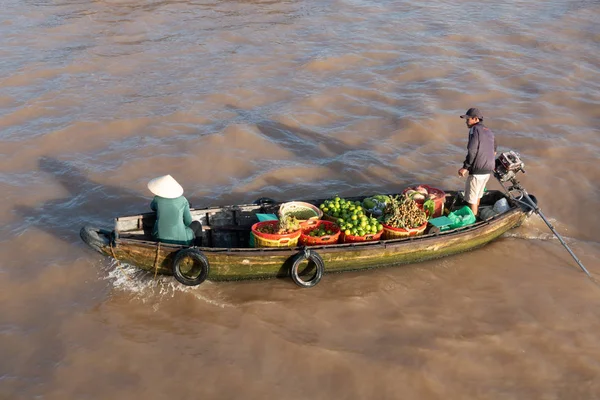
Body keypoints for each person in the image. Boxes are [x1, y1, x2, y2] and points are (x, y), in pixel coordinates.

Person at [457, 108, 497, 216]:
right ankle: (477, 216)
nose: (466, 121)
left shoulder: (474, 130)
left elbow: (472, 150)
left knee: (471, 200)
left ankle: (473, 222)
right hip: (488, 170)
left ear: (475, 119)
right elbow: (494, 151)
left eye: (468, 119)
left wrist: (465, 167)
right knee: (478, 196)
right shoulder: (489, 131)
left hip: (477, 171)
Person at [147, 174, 202, 246]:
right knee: (197, 224)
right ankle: (198, 248)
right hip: (182, 240)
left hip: (159, 239)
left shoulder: (157, 199)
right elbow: (188, 222)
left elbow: (152, 207)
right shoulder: (183, 200)